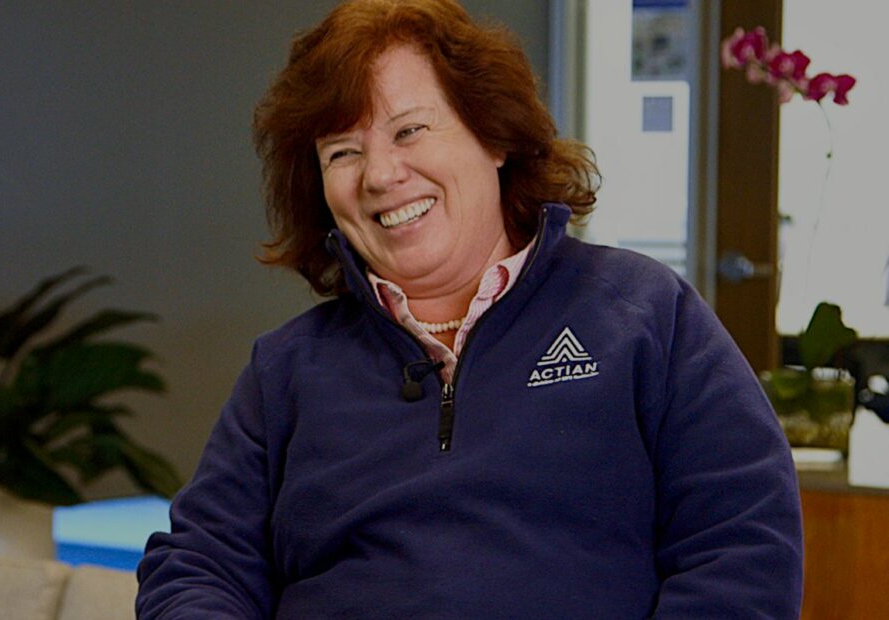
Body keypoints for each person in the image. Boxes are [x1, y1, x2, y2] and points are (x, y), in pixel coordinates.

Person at [136, 1, 803, 618]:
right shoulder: (284, 371)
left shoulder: (645, 317)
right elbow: (198, 566)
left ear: (495, 135)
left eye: (410, 130)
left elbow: (744, 548)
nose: (380, 175)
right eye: (343, 152)